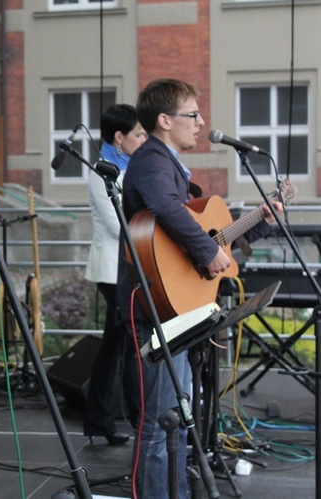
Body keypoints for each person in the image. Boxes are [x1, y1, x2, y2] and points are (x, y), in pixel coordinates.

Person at [117, 78, 279, 499]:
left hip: (176, 310)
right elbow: (166, 208)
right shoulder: (153, 159)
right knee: (160, 422)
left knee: (177, 416)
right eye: (193, 114)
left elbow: (209, 241)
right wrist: (207, 249)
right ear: (165, 120)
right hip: (154, 309)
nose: (201, 122)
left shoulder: (167, 164)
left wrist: (258, 223)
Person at [83, 104, 147, 446]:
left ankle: (103, 421)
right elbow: (114, 224)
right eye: (139, 134)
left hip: (126, 267)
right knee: (121, 346)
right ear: (119, 138)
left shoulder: (128, 168)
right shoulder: (102, 171)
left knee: (118, 346)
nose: (144, 139)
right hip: (112, 269)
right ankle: (123, 420)